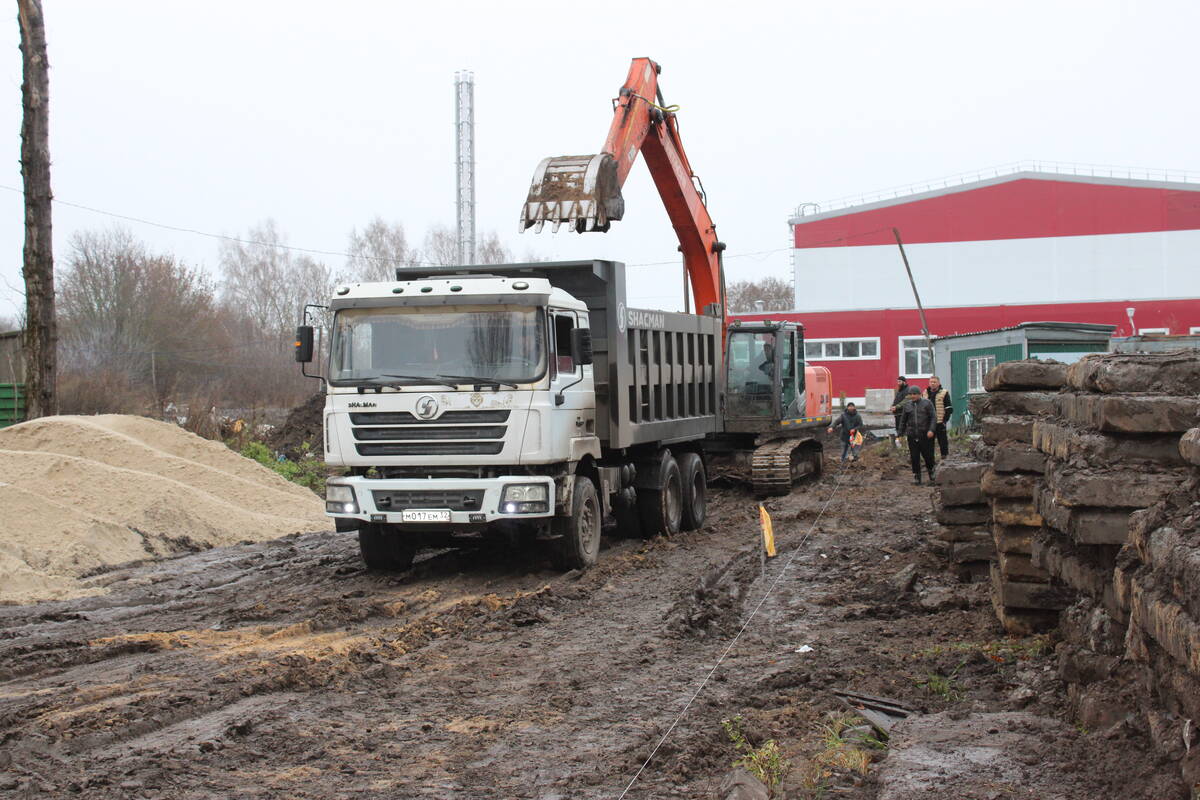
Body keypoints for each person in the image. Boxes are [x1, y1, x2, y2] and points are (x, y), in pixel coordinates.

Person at [898, 385, 936, 484]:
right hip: (912, 435)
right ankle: (917, 476)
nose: (913, 396)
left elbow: (933, 417)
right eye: (911, 394)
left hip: (925, 434)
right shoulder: (907, 405)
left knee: (928, 456)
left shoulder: (927, 403)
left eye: (915, 394)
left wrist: (931, 430)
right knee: (914, 457)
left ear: (919, 394)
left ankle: (932, 473)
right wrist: (900, 433)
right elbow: (903, 420)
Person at [927, 375, 953, 458]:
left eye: (934, 382)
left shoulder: (944, 393)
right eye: (931, 382)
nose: (933, 383)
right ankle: (931, 461)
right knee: (929, 443)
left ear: (938, 383)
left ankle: (944, 458)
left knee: (943, 442)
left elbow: (949, 408)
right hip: (929, 424)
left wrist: (945, 421)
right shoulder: (925, 393)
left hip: (940, 422)